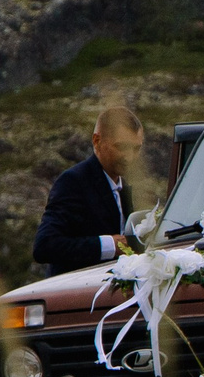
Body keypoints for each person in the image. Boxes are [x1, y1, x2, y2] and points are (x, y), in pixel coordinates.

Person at [34, 106, 144, 273]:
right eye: (121, 147)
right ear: (97, 141)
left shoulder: (124, 187)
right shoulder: (73, 182)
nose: (129, 157)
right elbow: (45, 245)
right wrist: (111, 245)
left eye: (136, 149)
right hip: (74, 293)